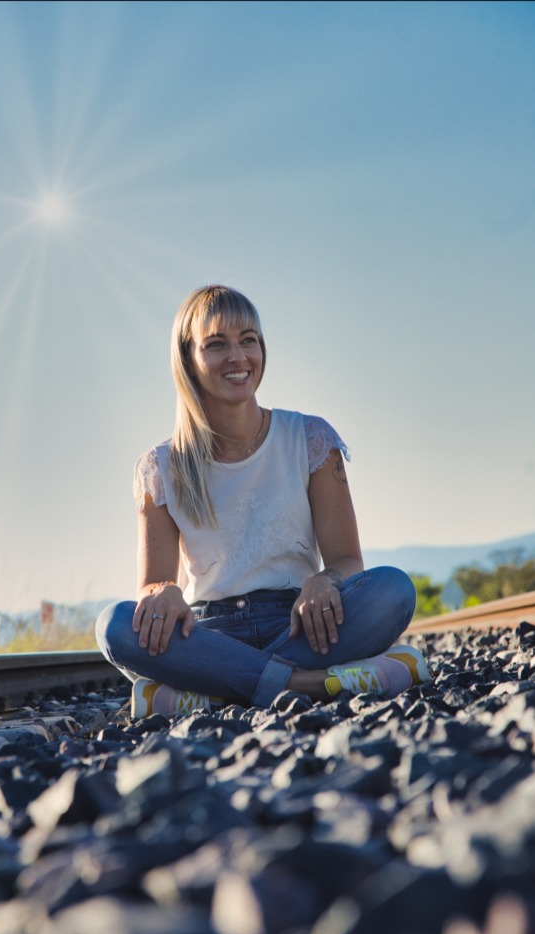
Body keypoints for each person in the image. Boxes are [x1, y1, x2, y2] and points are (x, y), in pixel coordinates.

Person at [96, 284, 429, 719]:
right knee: (114, 625)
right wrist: (165, 593)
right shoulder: (161, 467)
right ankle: (308, 684)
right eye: (217, 345)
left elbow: (348, 560)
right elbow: (153, 588)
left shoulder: (310, 438)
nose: (238, 357)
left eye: (248, 340)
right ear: (189, 361)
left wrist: (325, 581)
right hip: (208, 633)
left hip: (302, 624)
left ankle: (216, 692)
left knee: (393, 589)